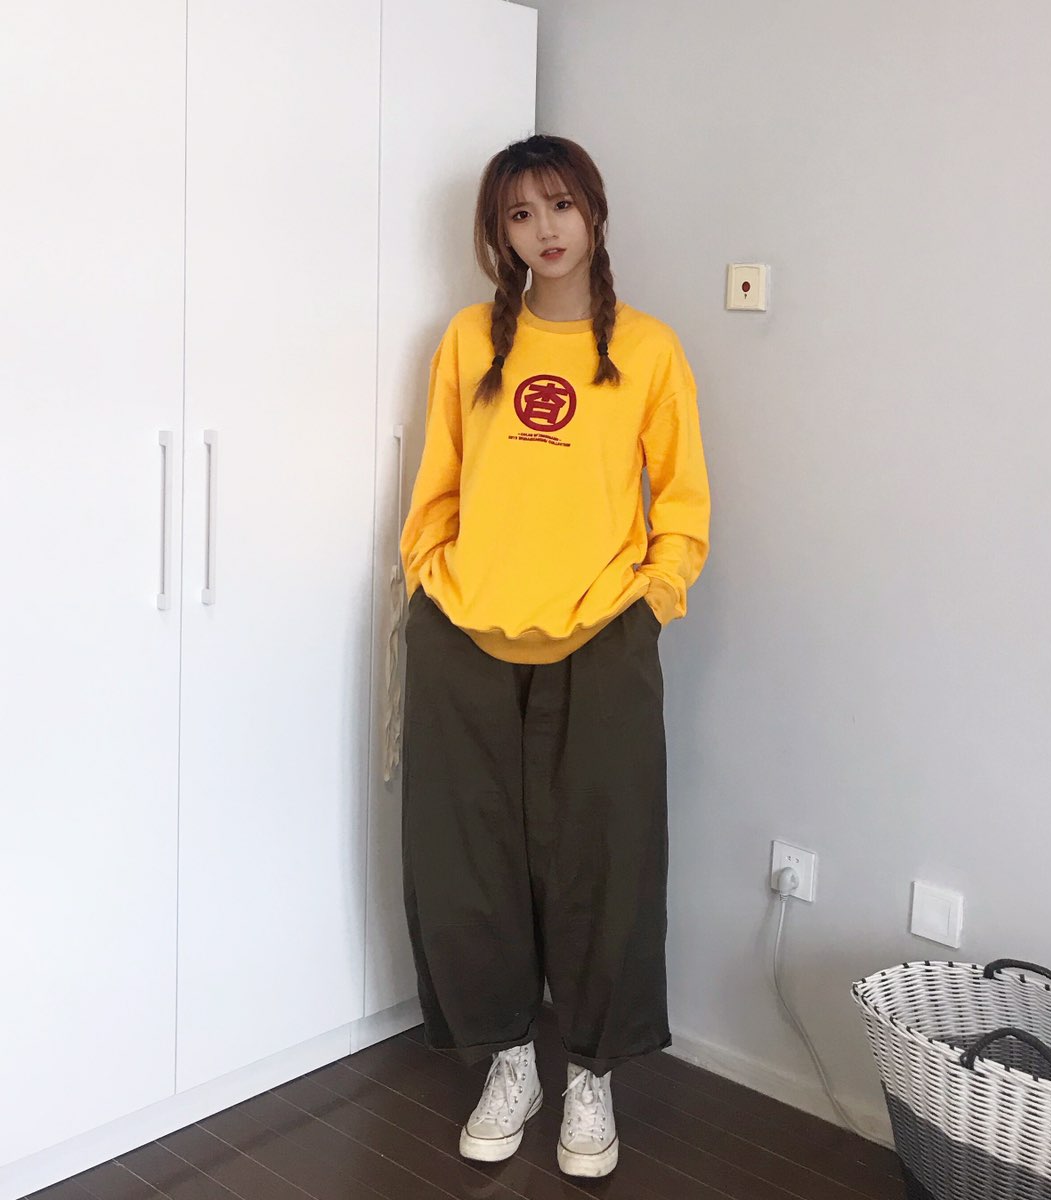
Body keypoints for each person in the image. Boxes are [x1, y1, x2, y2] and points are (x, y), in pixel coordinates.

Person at [397, 133, 710, 1179]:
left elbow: (684, 503)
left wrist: (653, 602)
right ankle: (507, 1064)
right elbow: (437, 485)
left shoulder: (651, 351)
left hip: (603, 632)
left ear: (595, 212)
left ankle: (590, 1074)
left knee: (604, 861)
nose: (546, 230)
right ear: (500, 234)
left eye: (561, 205)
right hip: (464, 631)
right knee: (467, 862)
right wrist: (426, 578)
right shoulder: (466, 342)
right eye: (521, 214)